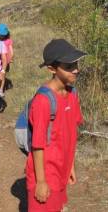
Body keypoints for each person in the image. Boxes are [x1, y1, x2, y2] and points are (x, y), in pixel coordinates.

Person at [26, 39, 86, 212]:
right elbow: (37, 144)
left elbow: (71, 134)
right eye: (68, 66)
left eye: (75, 63)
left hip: (62, 169)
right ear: (52, 69)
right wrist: (41, 181)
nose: (76, 69)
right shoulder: (44, 101)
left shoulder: (72, 93)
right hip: (46, 172)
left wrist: (71, 166)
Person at [0, 23, 14, 97]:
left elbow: (11, 51)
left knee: (3, 76)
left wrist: (10, 58)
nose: (2, 36)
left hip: (5, 61)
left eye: (3, 34)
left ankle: (1, 90)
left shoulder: (8, 41)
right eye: (1, 34)